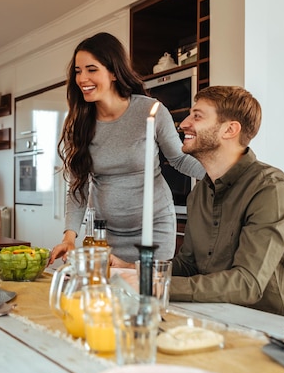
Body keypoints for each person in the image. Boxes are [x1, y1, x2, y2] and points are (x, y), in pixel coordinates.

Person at [113, 86, 284, 320]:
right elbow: (188, 265)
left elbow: (247, 283)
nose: (183, 123)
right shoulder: (200, 194)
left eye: (197, 116)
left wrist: (154, 286)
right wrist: (131, 269)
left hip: (274, 335)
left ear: (229, 130)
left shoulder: (271, 190)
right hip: (216, 321)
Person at [50, 32, 205, 264]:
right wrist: (70, 237)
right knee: (103, 296)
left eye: (92, 70)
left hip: (154, 230)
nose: (82, 79)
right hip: (103, 236)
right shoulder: (78, 123)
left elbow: (179, 160)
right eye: (78, 71)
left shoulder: (150, 111)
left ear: (113, 72)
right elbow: (78, 186)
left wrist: (226, 175)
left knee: (148, 294)